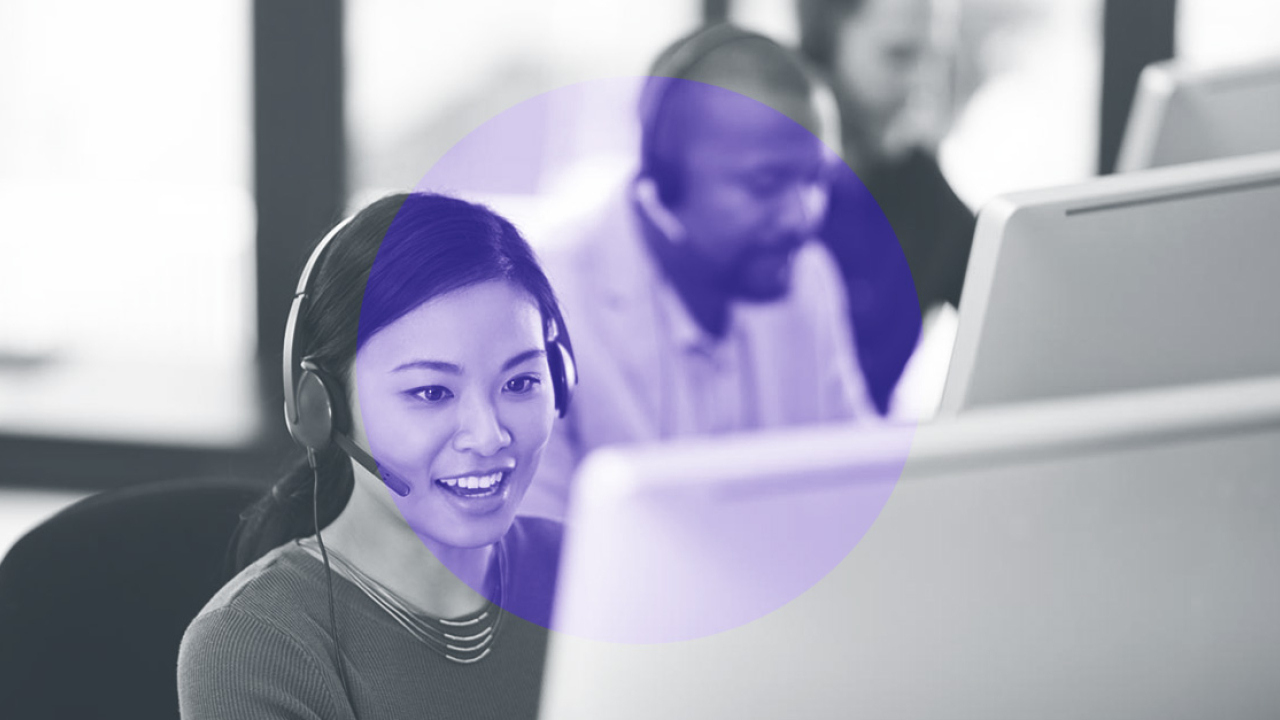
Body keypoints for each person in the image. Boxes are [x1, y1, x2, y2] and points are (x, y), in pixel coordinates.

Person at [178, 193, 576, 719]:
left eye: (521, 381)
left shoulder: (593, 573)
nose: (488, 436)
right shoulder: (253, 644)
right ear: (323, 408)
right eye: (432, 393)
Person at [520, 24, 877, 524]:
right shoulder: (541, 312)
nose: (803, 216)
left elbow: (860, 479)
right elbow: (527, 562)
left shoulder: (808, 277)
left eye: (816, 179)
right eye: (766, 183)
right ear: (666, 177)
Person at [798, 0, 977, 414]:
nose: (924, 81)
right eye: (899, 55)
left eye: (935, 57)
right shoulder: (769, 192)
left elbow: (1005, 296)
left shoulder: (917, 182)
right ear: (826, 43)